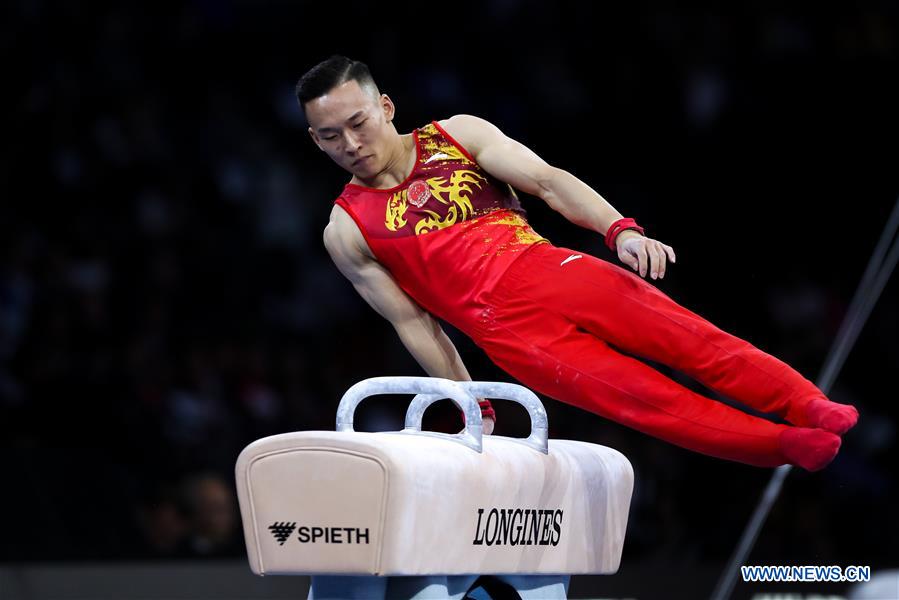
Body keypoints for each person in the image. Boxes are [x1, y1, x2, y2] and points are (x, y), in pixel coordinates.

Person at [297, 54, 858, 471]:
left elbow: (547, 182)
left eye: (358, 123)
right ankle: (785, 445)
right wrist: (470, 398)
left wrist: (619, 230)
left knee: (694, 342)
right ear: (315, 142)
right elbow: (414, 322)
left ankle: (809, 403)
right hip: (513, 337)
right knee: (647, 403)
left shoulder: (457, 135)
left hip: (552, 270)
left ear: (385, 107)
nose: (349, 142)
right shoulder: (346, 230)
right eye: (330, 136)